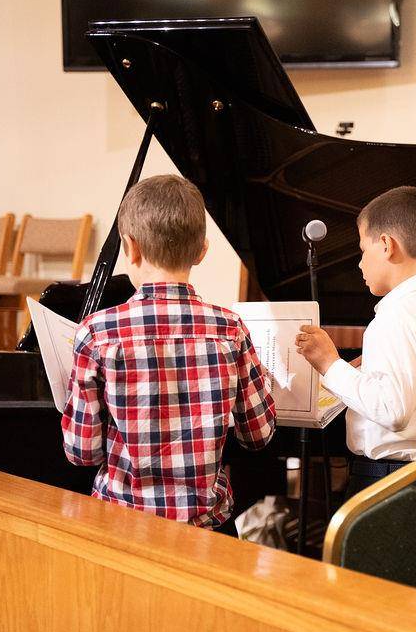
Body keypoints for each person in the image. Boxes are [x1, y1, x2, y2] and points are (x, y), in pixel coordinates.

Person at [62, 175, 277, 535]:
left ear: (129, 248)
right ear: (202, 250)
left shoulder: (97, 332)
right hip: (208, 528)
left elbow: (81, 452)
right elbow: (258, 435)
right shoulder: (230, 328)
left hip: (122, 523)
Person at [294, 186, 416, 496]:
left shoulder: (397, 316)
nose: (359, 264)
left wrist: (330, 363)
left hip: (395, 481)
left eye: (362, 250)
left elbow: (391, 410)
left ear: (386, 245)